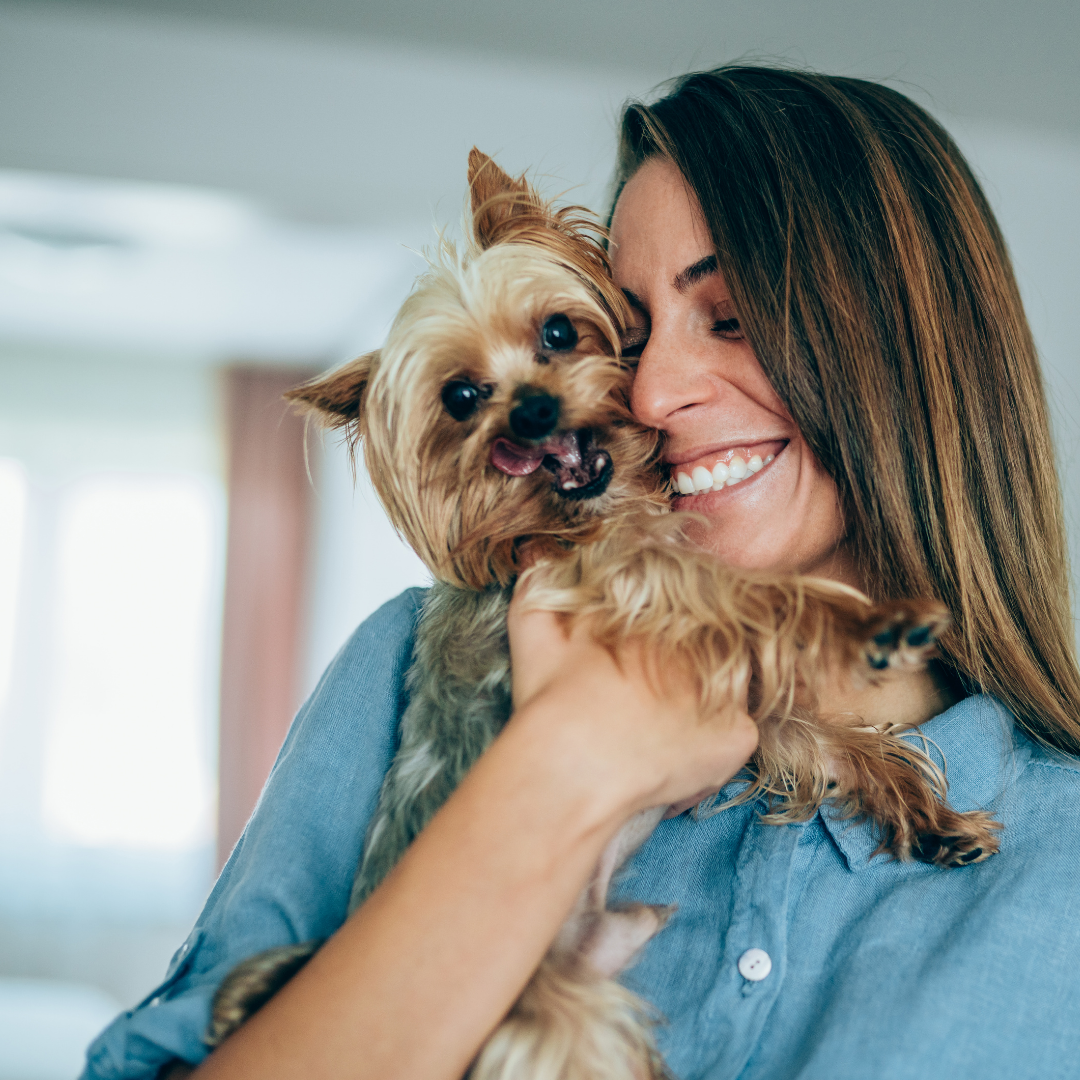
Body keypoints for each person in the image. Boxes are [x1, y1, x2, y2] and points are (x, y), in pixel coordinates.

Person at [82, 66, 1080, 1080]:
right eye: (629, 333)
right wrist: (564, 763)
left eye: (730, 316)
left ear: (907, 352)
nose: (644, 392)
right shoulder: (408, 665)